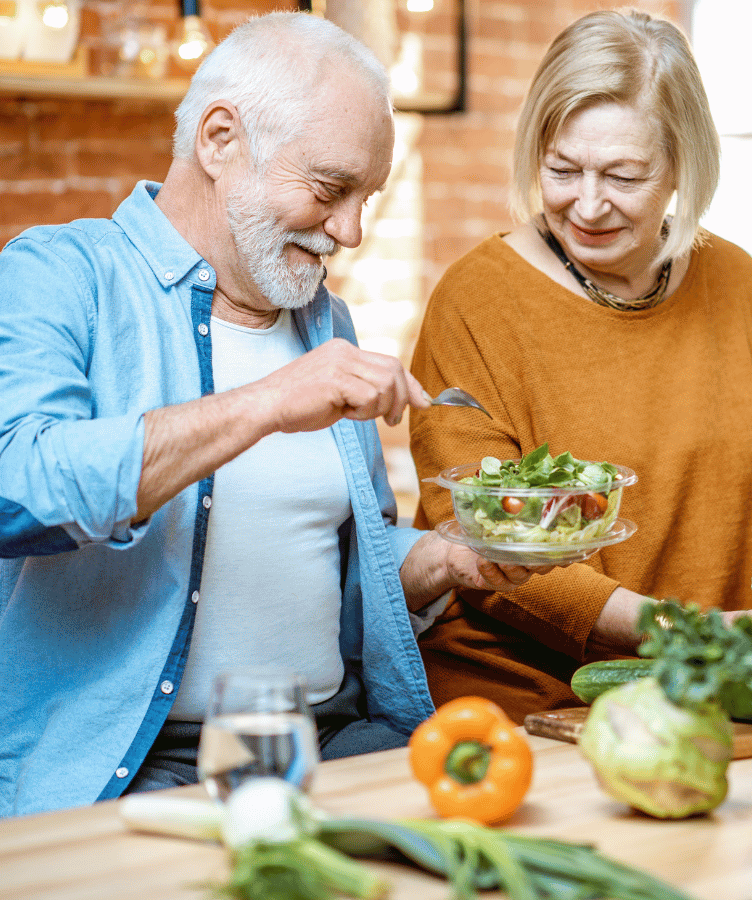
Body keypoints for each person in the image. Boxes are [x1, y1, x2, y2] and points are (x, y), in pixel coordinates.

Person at [0, 12, 543, 819]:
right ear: (220, 140)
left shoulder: (326, 325)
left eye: (367, 198)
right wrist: (267, 404)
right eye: (330, 190)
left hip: (340, 740)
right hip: (144, 766)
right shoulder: (59, 274)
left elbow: (324, 566)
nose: (350, 231)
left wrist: (449, 558)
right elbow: (18, 490)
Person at [407, 9, 752, 722]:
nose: (586, 204)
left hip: (714, 693)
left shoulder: (738, 284)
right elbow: (480, 549)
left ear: (683, 164)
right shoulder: (476, 300)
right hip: (533, 707)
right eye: (561, 169)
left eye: (624, 175)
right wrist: (685, 632)